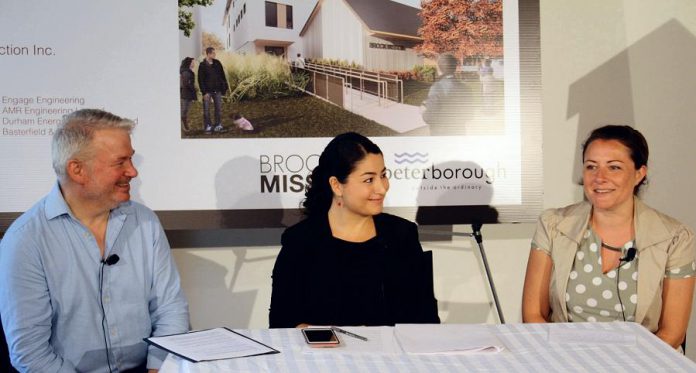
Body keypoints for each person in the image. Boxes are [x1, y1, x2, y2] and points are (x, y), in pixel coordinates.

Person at [0, 109, 190, 372]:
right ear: (77, 170)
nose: (132, 171)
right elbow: (30, 354)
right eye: (120, 162)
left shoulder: (145, 222)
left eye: (131, 160)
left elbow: (171, 309)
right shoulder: (26, 241)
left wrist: (158, 368)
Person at [522, 125, 695, 349]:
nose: (599, 178)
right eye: (591, 167)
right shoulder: (553, 225)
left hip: (644, 363)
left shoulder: (676, 238)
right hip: (566, 360)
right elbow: (533, 315)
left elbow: (672, 334)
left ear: (639, 174)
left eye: (614, 167)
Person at [269, 132, 440, 328]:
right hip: (326, 357)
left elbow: (426, 319)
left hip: (393, 356)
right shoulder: (301, 241)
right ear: (336, 185)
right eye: (369, 180)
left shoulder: (402, 234)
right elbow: (282, 323)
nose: (382, 188)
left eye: (383, 176)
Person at [421, 53, 470, 136]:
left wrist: (423, 110)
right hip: (459, 134)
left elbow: (429, 117)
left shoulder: (436, 87)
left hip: (441, 135)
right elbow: (469, 115)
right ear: (454, 68)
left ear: (439, 68)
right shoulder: (465, 88)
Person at [197, 47, 229, 134]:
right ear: (208, 54)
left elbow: (222, 76)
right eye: (213, 53)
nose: (215, 55)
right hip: (207, 92)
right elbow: (200, 80)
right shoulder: (202, 65)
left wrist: (224, 87)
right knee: (206, 110)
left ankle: (218, 126)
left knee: (218, 109)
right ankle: (208, 127)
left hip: (217, 91)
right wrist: (204, 92)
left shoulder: (217, 63)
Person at [179, 56, 196, 132]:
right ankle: (184, 125)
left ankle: (184, 124)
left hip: (188, 94)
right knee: (184, 110)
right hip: (186, 94)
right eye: (192, 62)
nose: (194, 63)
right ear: (189, 63)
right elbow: (186, 84)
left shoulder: (188, 71)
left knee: (185, 110)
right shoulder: (186, 72)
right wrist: (192, 89)